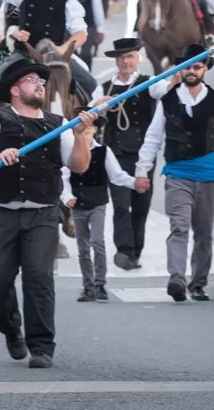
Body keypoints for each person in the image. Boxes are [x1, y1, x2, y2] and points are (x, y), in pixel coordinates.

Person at [0, 58, 97, 369]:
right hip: (2, 213)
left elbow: (79, 165)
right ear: (15, 89)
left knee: (39, 279)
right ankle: (11, 328)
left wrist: (81, 134)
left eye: (42, 81)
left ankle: (41, 347)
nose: (41, 84)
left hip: (42, 215)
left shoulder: (58, 124)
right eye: (31, 80)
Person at [134, 43, 214, 302]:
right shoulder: (168, 100)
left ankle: (198, 283)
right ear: (179, 69)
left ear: (205, 69)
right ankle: (177, 278)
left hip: (208, 174)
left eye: (197, 66)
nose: (192, 71)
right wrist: (142, 170)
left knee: (204, 232)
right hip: (177, 173)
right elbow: (152, 138)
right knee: (179, 226)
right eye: (187, 66)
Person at [89, 36, 167, 270]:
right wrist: (98, 105)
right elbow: (89, 114)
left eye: (130, 57)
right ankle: (124, 250)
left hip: (143, 154)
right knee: (121, 204)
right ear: (116, 61)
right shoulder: (103, 88)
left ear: (138, 59)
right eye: (122, 58)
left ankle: (136, 251)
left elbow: (167, 91)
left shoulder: (149, 82)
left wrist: (174, 78)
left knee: (141, 205)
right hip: (115, 153)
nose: (126, 62)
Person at [65, 114, 137, 303]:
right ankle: (88, 286)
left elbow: (117, 176)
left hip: (97, 203)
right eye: (83, 131)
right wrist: (67, 197)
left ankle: (100, 284)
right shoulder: (70, 152)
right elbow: (63, 178)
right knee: (82, 246)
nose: (86, 134)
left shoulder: (104, 152)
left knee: (98, 241)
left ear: (96, 131)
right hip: (78, 205)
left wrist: (134, 183)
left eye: (90, 130)